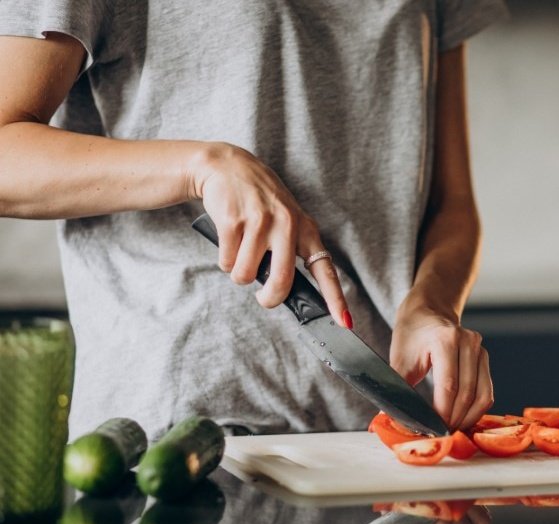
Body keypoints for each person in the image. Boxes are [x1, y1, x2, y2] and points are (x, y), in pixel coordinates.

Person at [0, 0, 508, 440]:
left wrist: (432, 305)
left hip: (376, 431)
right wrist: (200, 167)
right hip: (179, 435)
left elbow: (452, 204)